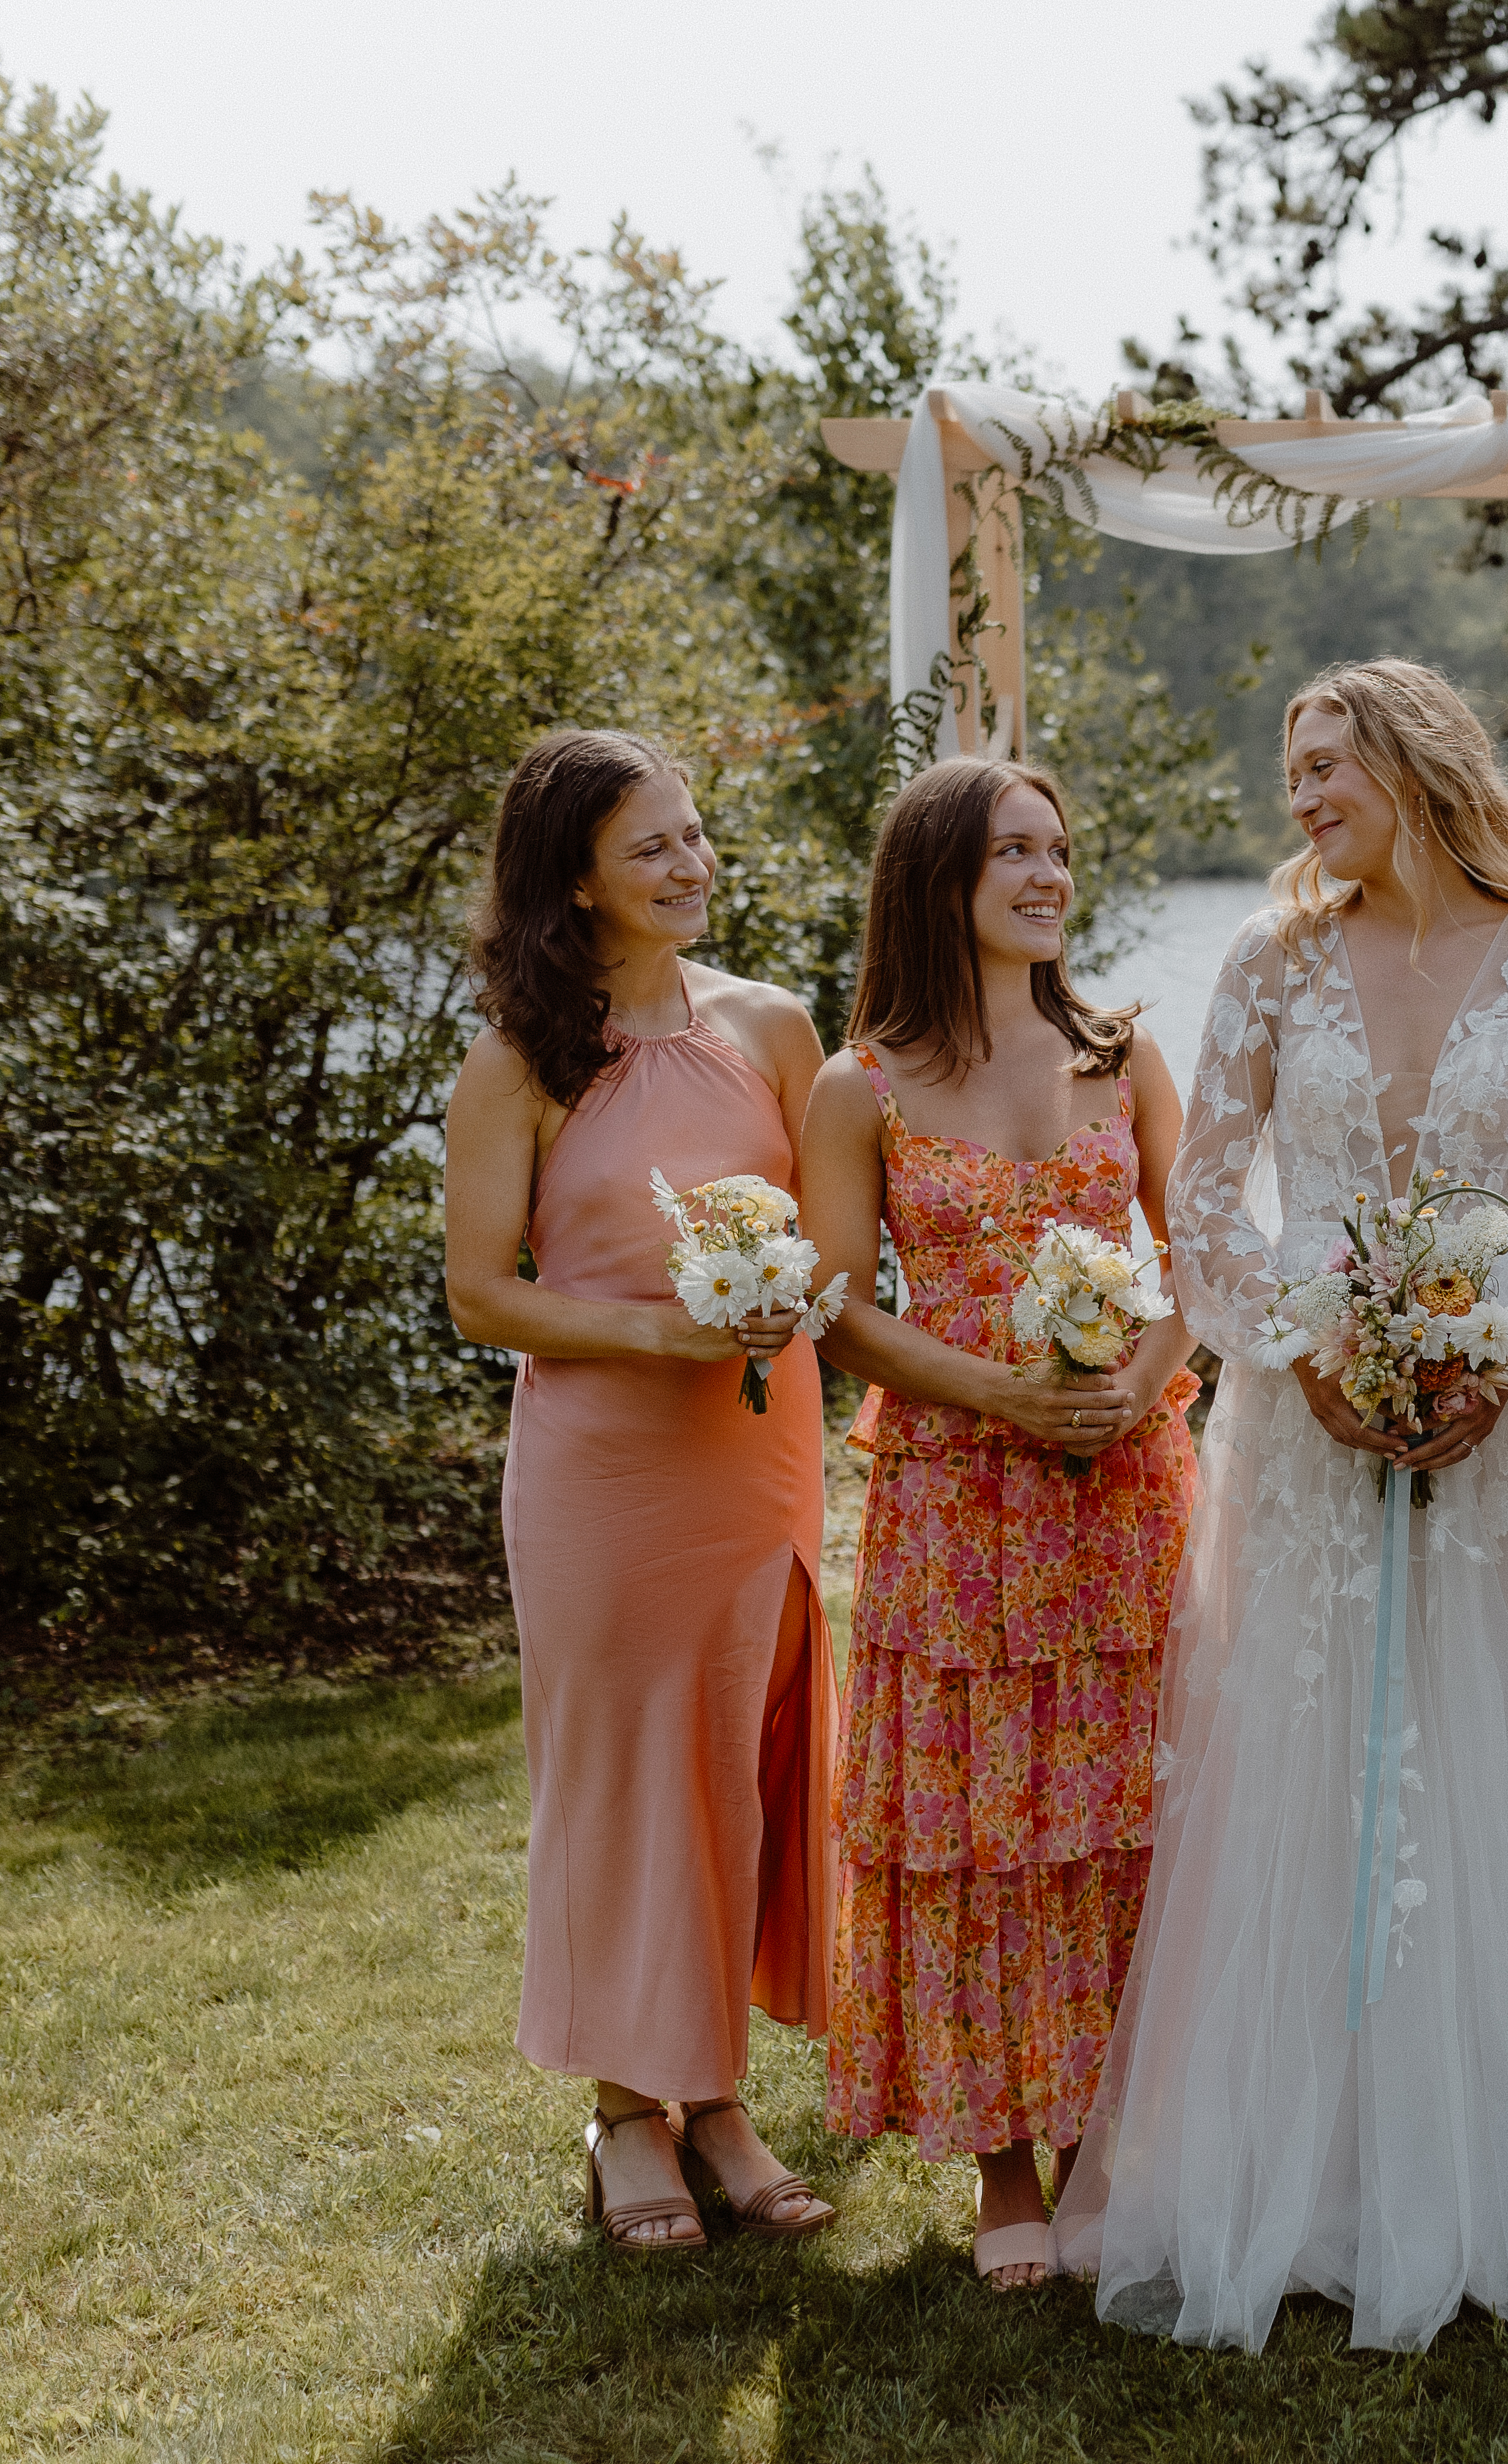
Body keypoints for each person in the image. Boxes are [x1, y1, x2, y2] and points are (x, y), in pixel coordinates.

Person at [1056, 657, 1508, 2351]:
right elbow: (1206, 1201)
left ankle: (1506, 2176)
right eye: (1295, 768)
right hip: (1301, 1434)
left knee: (1492, 1769)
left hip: (1494, 1440)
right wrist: (1310, 1350)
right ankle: (1301, 2173)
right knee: (1301, 1766)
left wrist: (1494, 1356)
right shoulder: (1270, 957)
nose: (1304, 795)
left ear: (1413, 763)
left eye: (1329, 763)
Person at [796, 757, 1198, 2292]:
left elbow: (1198, 1261)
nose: (1046, 876)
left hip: (1125, 1492)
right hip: (956, 1504)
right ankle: (1004, 2164)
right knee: (978, 1830)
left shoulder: (1123, 1053)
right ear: (938, 878)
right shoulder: (862, 1085)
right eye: (1011, 852)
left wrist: (1139, 1387)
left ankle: (1109, 2137)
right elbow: (838, 1307)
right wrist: (998, 1395)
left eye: (1057, 849)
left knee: (1125, 1815)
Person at [440, 728, 838, 2253]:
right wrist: (660, 1333)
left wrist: (791, 1302)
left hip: (759, 1453)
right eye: (653, 847)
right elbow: (482, 1293)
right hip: (604, 1469)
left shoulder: (774, 1026)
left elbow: (835, 1235)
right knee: (622, 1772)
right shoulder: (519, 1061)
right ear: (578, 884)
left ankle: (717, 2096)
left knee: (741, 1756)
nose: (692, 865)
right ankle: (627, 2108)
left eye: (694, 833)